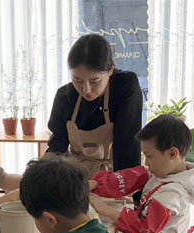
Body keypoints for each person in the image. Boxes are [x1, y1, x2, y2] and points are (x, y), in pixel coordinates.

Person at [46, 34, 143, 176]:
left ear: (110, 71)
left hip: (115, 175)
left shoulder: (125, 85)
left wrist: (125, 190)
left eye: (94, 81)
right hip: (77, 177)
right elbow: (57, 148)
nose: (86, 89)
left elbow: (127, 147)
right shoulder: (64, 96)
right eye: (77, 80)